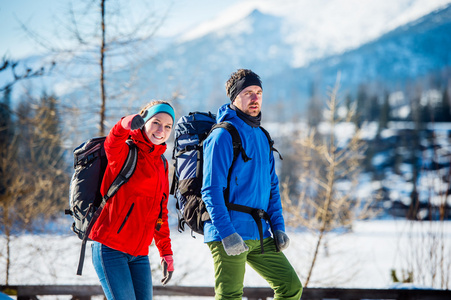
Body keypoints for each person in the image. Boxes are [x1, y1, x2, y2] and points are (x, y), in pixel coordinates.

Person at [201, 69, 303, 299]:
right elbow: (210, 190)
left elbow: (272, 188)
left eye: (258, 92)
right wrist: (227, 234)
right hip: (228, 232)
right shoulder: (222, 136)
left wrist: (278, 226)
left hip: (259, 232)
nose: (255, 98)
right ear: (234, 97)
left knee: (291, 287)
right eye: (248, 93)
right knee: (230, 296)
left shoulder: (262, 136)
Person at [89, 100, 175, 300]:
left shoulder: (161, 164)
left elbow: (160, 214)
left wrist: (166, 252)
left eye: (168, 126)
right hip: (110, 247)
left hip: (139, 255)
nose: (161, 130)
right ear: (143, 121)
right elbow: (111, 141)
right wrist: (126, 123)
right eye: (156, 122)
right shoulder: (125, 152)